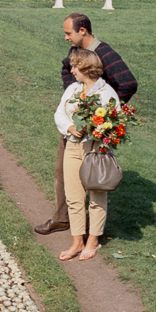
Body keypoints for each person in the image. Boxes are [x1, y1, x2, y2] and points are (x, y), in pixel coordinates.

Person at [34, 13, 137, 236]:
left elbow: (127, 83)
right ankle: (63, 219)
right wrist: (73, 96)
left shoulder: (105, 53)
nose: (65, 38)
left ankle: (91, 229)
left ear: (83, 31)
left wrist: (103, 114)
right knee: (62, 172)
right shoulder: (76, 53)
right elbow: (66, 68)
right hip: (73, 129)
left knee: (94, 177)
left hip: (94, 135)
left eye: (68, 33)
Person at [54, 49, 118, 260]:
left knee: (97, 195)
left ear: (86, 67)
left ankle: (93, 240)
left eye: (75, 66)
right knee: (73, 196)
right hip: (72, 146)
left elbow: (115, 121)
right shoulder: (73, 89)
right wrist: (70, 127)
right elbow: (59, 113)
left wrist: (98, 130)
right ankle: (77, 242)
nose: (71, 71)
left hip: (96, 149)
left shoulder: (106, 92)